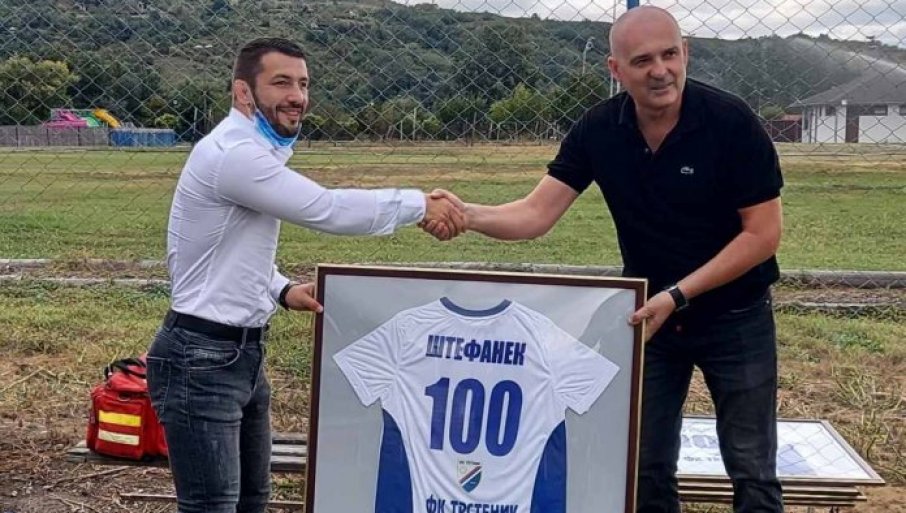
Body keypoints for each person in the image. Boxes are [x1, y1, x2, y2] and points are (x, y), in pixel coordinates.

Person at [424, 6, 784, 513]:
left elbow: (763, 235)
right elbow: (536, 213)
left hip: (735, 315)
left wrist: (678, 294)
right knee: (643, 464)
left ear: (686, 53)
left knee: (752, 467)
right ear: (616, 69)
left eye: (670, 54)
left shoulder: (730, 122)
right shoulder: (599, 129)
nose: (660, 70)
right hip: (650, 322)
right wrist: (467, 215)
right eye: (642, 61)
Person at [145, 37, 464, 513]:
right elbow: (326, 209)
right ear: (243, 92)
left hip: (239, 354)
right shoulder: (235, 154)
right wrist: (419, 204)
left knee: (252, 500)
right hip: (201, 359)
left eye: (303, 84)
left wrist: (282, 289)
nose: (297, 96)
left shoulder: (250, 151)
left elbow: (224, 252)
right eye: (281, 83)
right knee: (213, 506)